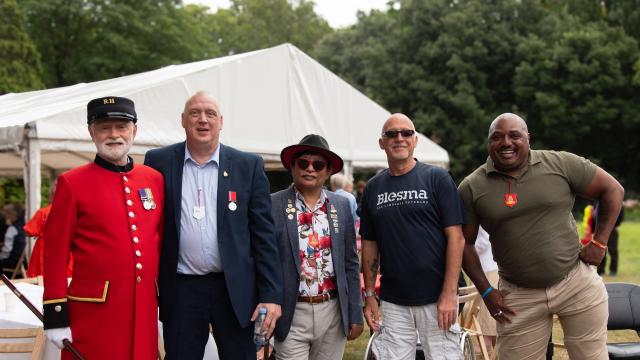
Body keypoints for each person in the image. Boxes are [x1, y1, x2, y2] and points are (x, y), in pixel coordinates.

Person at [458, 113, 624, 360]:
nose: (506, 142)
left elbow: (612, 189)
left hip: (575, 282)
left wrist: (599, 243)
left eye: (514, 135)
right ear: (488, 142)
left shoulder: (560, 164)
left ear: (528, 138)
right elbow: (464, 244)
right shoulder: (472, 187)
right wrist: (485, 291)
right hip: (518, 296)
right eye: (497, 137)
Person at [144, 91, 283, 360]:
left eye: (210, 114)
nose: (202, 120)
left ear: (221, 121)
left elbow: (264, 236)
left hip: (234, 290)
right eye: (195, 113)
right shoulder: (158, 162)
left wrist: (271, 294)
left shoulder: (248, 165)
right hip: (181, 288)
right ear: (183, 120)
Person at [42, 96, 164, 360]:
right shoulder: (71, 182)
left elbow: (162, 240)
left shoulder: (153, 179)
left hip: (144, 306)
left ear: (134, 130)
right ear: (91, 132)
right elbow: (55, 253)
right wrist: (55, 313)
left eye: (121, 127)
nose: (114, 135)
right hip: (94, 313)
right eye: (104, 127)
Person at [360, 113, 466, 360]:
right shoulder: (374, 188)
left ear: (415, 140)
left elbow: (456, 238)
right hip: (394, 300)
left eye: (406, 133)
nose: (400, 138)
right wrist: (369, 296)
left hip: (437, 297)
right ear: (381, 142)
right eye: (392, 134)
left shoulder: (437, 178)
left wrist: (450, 293)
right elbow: (369, 244)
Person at [271, 134, 363, 360]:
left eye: (318, 164)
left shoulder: (341, 206)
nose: (310, 169)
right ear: (292, 167)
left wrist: (355, 312)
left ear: (329, 170)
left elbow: (350, 263)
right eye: (303, 163)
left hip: (332, 310)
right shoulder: (273, 204)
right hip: (291, 311)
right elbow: (263, 262)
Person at [473, 227, 498, 348]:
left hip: (488, 271)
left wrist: (463, 248)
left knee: (486, 332)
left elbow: (483, 242)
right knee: (491, 330)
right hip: (490, 269)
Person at [597, 206, 624, 276]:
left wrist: (616, 225)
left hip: (612, 229)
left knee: (613, 251)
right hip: (600, 229)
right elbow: (595, 214)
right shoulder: (598, 202)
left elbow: (621, 213)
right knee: (601, 250)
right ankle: (600, 271)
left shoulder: (617, 201)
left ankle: (613, 271)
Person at [0, 203, 26, 273]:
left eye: (7, 214)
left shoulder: (12, 229)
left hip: (13, 262)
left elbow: (6, 251)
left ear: (12, 214)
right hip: (23, 261)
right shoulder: (24, 225)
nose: (5, 217)